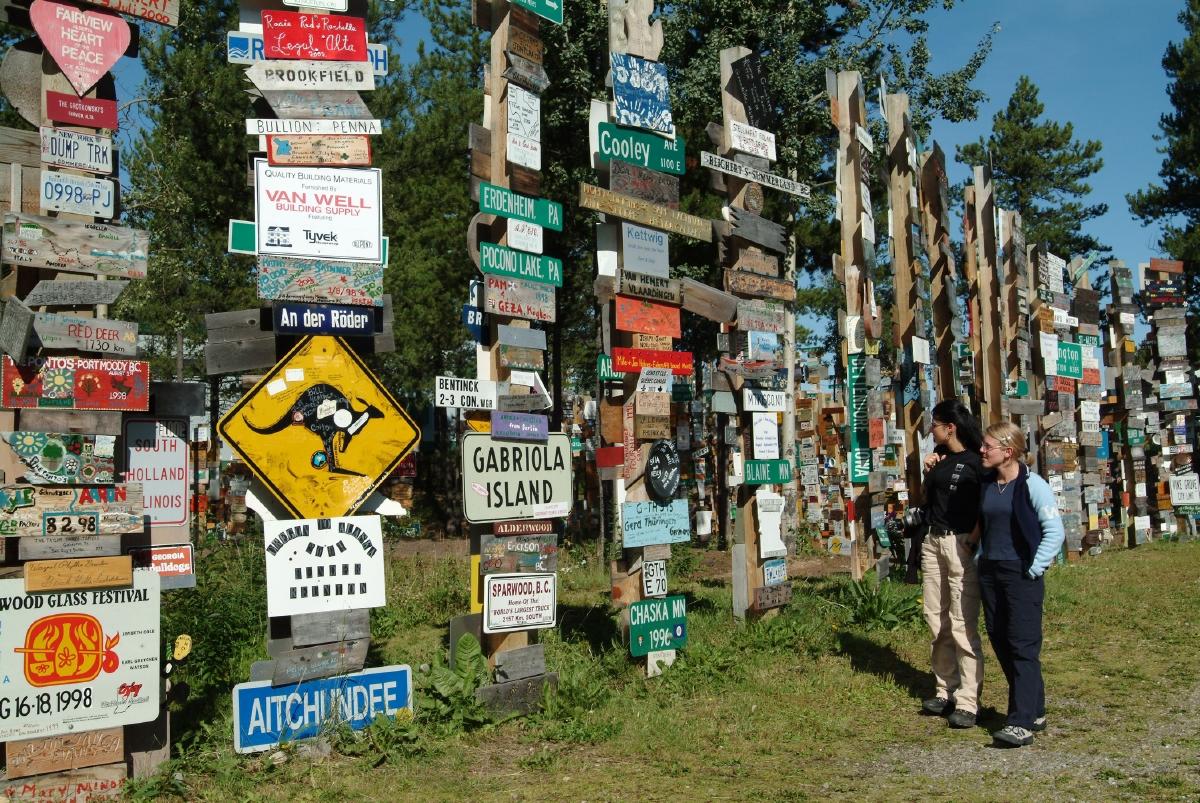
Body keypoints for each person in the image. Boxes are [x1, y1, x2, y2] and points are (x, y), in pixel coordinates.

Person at [971, 421, 1065, 747]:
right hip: (990, 571)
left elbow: (1055, 532)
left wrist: (1035, 567)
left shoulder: (1032, 485)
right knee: (999, 639)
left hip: (1021, 574)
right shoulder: (987, 483)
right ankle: (1034, 708)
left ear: (1007, 451)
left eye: (988, 446)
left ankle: (1020, 722)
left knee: (1023, 645)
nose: (982, 450)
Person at [918, 400, 986, 729]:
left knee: (962, 623)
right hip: (933, 541)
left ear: (951, 427)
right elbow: (927, 501)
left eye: (935, 423)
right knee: (936, 618)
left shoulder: (977, 462)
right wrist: (928, 472)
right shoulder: (940, 460)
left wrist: (972, 540)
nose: (931, 429)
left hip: (959, 543)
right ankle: (945, 688)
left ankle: (969, 701)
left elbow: (986, 507)